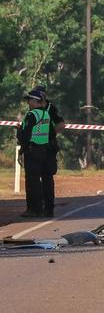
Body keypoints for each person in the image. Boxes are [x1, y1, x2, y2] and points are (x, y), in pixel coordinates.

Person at [16, 87, 64, 218]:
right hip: (45, 149)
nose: (28, 103)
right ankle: (48, 209)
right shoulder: (46, 112)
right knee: (46, 179)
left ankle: (35, 209)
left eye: (30, 100)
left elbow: (26, 134)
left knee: (33, 180)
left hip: (36, 150)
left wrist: (21, 146)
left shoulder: (36, 113)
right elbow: (52, 129)